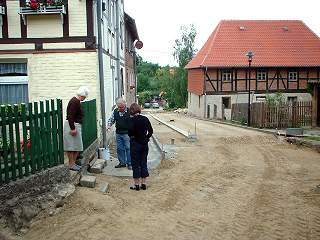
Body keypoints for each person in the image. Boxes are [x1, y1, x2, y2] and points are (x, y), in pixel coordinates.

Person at [128, 103, 153, 191]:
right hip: (144, 144)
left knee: (135, 164)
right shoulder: (145, 119)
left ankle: (136, 185)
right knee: (143, 163)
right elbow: (151, 131)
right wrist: (146, 138)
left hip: (135, 144)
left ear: (131, 110)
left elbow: (130, 133)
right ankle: (144, 184)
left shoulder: (131, 120)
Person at [63, 86, 89, 171]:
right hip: (72, 125)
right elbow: (70, 116)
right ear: (82, 95)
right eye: (85, 97)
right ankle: (71, 164)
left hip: (75, 125)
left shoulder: (76, 101)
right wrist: (73, 128)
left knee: (77, 146)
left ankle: (73, 163)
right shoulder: (75, 102)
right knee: (71, 146)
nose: (85, 98)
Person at [107, 98, 131, 169]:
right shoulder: (115, 111)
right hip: (118, 133)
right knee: (120, 148)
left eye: (122, 107)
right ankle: (122, 162)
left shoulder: (129, 111)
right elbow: (111, 120)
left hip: (127, 133)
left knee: (128, 148)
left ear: (125, 105)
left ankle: (129, 163)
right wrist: (108, 126)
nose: (120, 108)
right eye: (119, 107)